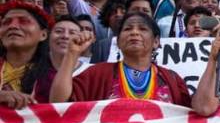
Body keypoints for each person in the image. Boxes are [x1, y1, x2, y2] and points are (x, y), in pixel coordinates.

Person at [50, 12, 191, 106]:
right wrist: (71, 54)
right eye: (127, 29)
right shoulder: (96, 74)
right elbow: (58, 104)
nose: (134, 32)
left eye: (142, 29)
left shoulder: (172, 79)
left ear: (156, 42)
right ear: (117, 42)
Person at [0, 1, 54, 108]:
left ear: (43, 35)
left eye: (24, 21)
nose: (13, 26)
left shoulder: (54, 75)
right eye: (6, 22)